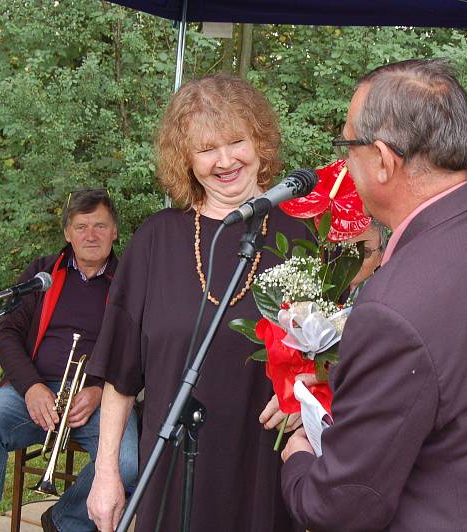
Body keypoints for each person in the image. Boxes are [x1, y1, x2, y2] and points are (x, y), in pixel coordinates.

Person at [280, 58, 467, 531]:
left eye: (347, 145)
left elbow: (343, 506)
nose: (343, 163)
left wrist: (299, 461)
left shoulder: (392, 305)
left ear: (383, 160)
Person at [86, 75, 307, 532]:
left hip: (260, 471)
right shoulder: (155, 240)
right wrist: (106, 473)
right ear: (185, 159)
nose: (225, 160)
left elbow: (336, 359)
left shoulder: (298, 237)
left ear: (260, 142)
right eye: (207, 149)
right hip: (170, 471)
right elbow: (120, 375)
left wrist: (305, 397)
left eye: (236, 141)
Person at [0, 189, 139, 532]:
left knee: (130, 462)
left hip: (99, 398)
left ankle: (64, 518)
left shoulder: (130, 282)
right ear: (67, 233)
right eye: (81, 226)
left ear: (115, 231)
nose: (91, 235)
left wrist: (99, 390)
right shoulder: (43, 273)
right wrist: (31, 387)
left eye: (100, 226)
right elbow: (7, 334)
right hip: (32, 392)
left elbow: (139, 350)